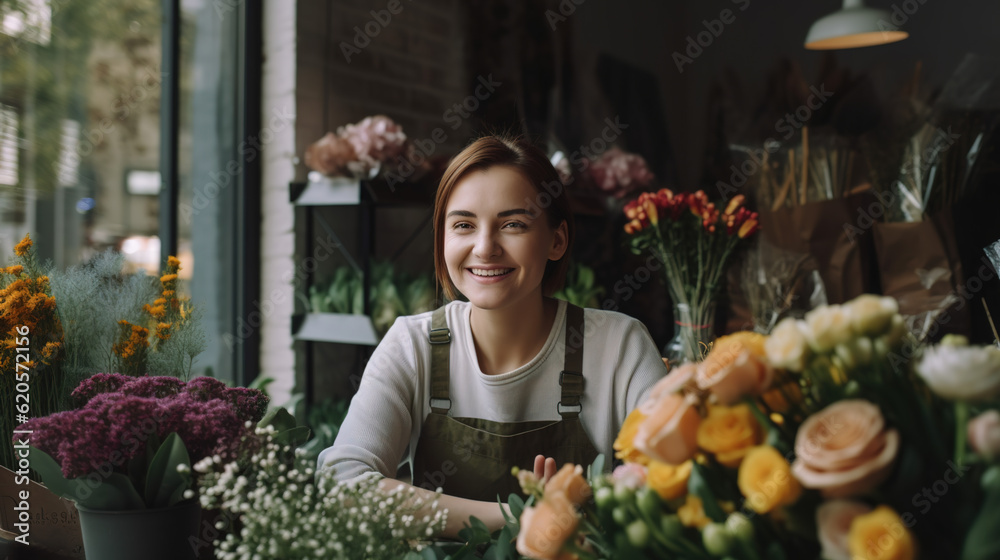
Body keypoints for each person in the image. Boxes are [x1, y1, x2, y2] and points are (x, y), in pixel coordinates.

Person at [318, 135, 666, 537]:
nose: (485, 248)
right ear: (443, 237)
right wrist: (521, 518)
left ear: (557, 240)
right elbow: (341, 484)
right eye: (464, 225)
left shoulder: (619, 346)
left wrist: (592, 505)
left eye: (513, 224)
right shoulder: (412, 346)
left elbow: (675, 479)